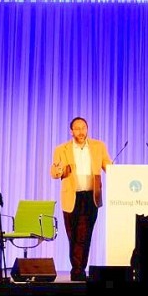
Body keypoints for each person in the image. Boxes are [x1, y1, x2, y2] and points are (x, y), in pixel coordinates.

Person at [50, 116, 113, 281]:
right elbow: (55, 173)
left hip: (90, 196)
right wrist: (59, 170)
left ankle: (78, 270)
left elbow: (108, 165)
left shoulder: (98, 146)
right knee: (73, 235)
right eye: (77, 128)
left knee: (85, 234)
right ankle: (77, 268)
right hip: (72, 196)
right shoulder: (61, 149)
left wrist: (118, 174)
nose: (81, 131)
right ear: (71, 131)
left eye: (83, 127)